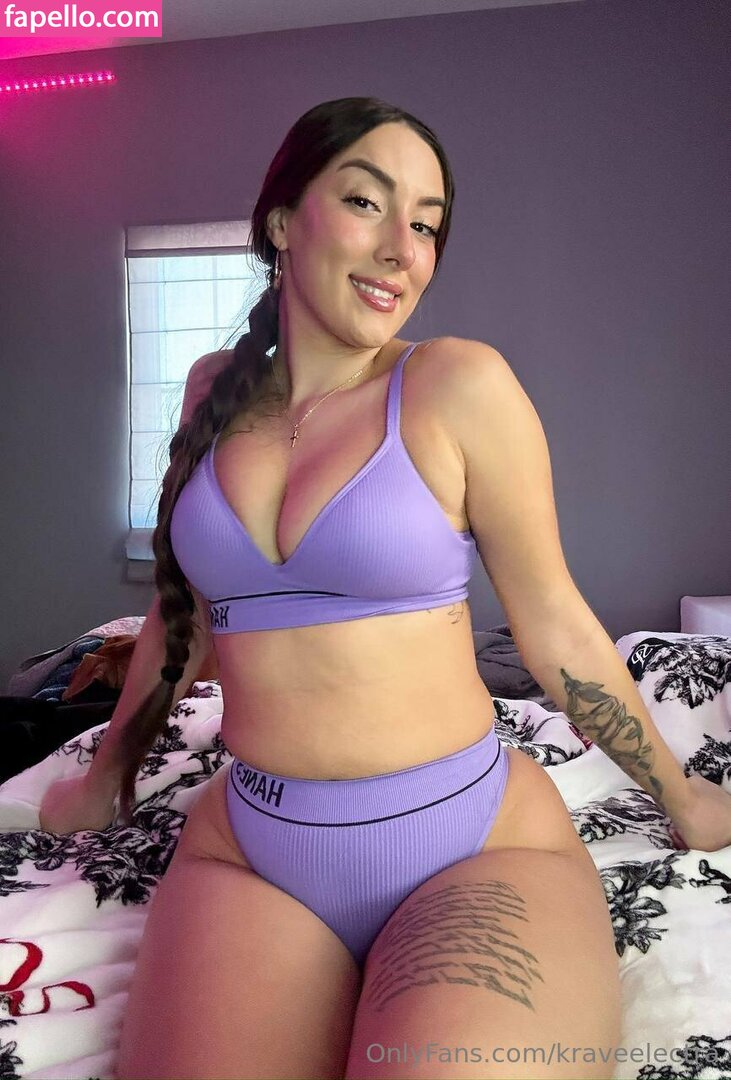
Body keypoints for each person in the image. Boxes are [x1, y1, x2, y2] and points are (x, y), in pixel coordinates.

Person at [40, 97, 731, 1080]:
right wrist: (108, 776)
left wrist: (680, 795)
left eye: (427, 224)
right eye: (367, 202)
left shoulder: (456, 384)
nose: (401, 249)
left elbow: (555, 627)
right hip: (254, 851)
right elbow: (180, 618)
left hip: (467, 845)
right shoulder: (211, 391)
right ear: (283, 220)